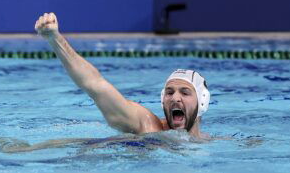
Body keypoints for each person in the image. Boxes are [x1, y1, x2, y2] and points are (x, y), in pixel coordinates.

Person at [34, 13, 211, 139]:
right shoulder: (147, 125)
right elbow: (95, 85)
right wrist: (54, 39)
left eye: (185, 92)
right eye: (170, 92)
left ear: (202, 102)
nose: (175, 98)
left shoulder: (213, 143)